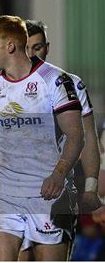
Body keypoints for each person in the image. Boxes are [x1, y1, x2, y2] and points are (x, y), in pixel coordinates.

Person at [0, 15, 84, 261]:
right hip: (4, 194)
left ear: (10, 46)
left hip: (48, 195)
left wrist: (59, 174)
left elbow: (76, 136)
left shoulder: (55, 81)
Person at [14, 20, 102, 260]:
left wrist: (91, 187)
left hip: (56, 196)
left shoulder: (70, 84)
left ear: (47, 48)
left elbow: (89, 137)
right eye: (26, 48)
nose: (32, 55)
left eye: (38, 47)